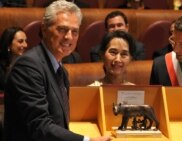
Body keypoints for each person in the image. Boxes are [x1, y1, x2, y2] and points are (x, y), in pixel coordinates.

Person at [3, 1, 111, 141]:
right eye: (62, 30)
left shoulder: (61, 71)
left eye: (74, 31)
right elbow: (40, 126)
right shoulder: (28, 66)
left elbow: (60, 123)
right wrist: (87, 140)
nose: (69, 37)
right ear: (44, 29)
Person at [0, 26, 28, 92]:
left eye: (25, 41)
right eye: (20, 41)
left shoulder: (27, 62)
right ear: (9, 44)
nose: (25, 45)